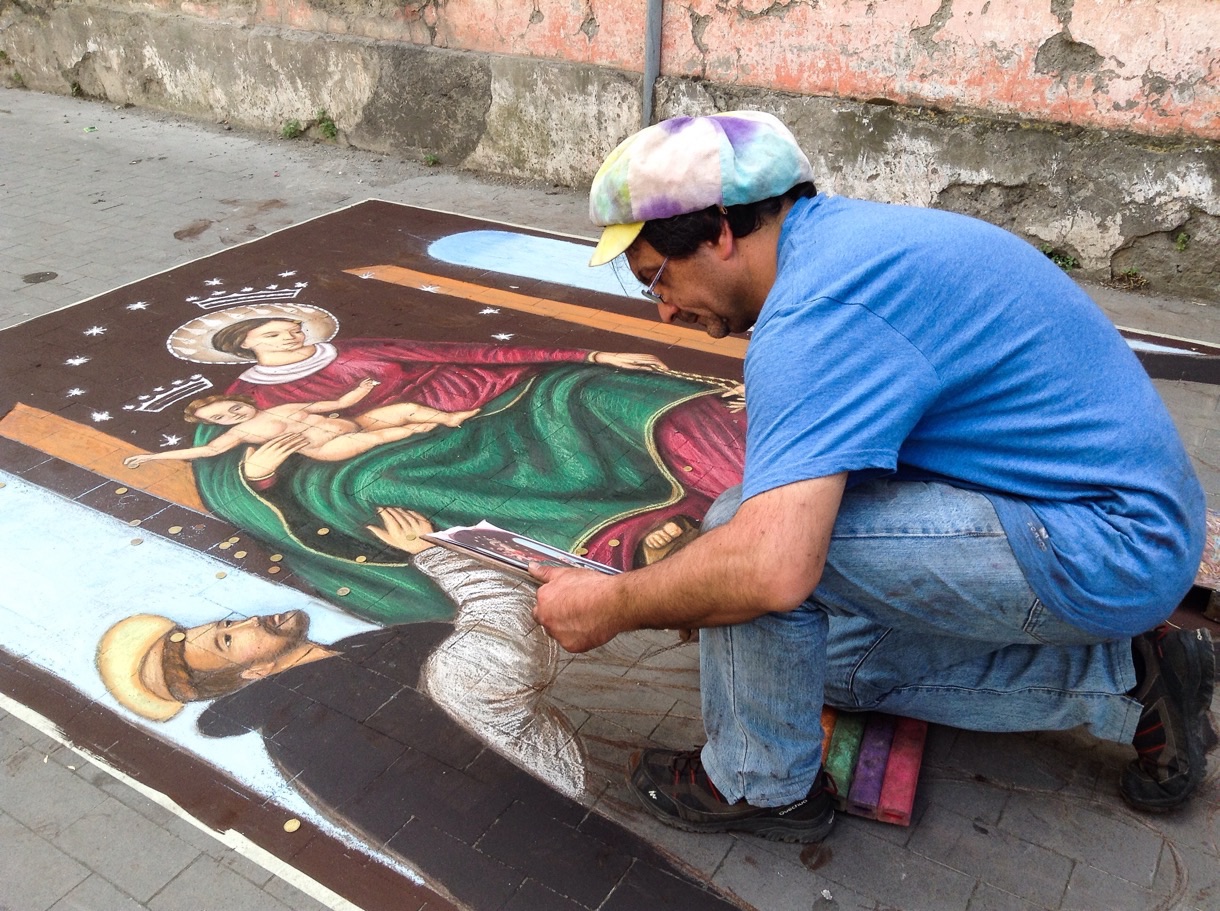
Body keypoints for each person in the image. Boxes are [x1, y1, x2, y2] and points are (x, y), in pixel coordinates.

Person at [529, 110, 1212, 843]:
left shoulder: (815, 316)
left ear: (722, 230)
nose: (663, 308)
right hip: (1089, 511)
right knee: (813, 668)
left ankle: (762, 784)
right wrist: (703, 591)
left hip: (1110, 541)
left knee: (740, 540)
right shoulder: (839, 246)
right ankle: (1132, 677)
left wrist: (613, 606)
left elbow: (771, 564)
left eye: (656, 278)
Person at [95, 508, 738, 909]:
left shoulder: (346, 676)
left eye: (227, 621)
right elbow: (501, 645)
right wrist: (438, 554)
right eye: (230, 639)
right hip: (571, 820)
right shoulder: (337, 713)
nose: (247, 618)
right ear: (255, 671)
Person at [163, 304, 746, 622]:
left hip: (479, 405)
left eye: (293, 326)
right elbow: (223, 476)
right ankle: (612, 543)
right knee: (382, 483)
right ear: (247, 346)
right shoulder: (236, 403)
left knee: (588, 390)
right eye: (275, 331)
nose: (291, 335)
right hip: (383, 454)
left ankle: (727, 488)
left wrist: (589, 351)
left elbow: (475, 353)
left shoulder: (359, 351)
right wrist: (260, 472)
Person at [122, 380, 478, 467]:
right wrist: (154, 457)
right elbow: (205, 450)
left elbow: (338, 404)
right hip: (325, 448)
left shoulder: (286, 405)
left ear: (240, 401)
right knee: (384, 435)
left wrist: (362, 389)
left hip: (350, 422)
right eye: (219, 419)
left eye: (230, 409)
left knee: (402, 408)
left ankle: (449, 417)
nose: (230, 417)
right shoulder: (241, 434)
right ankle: (419, 433)